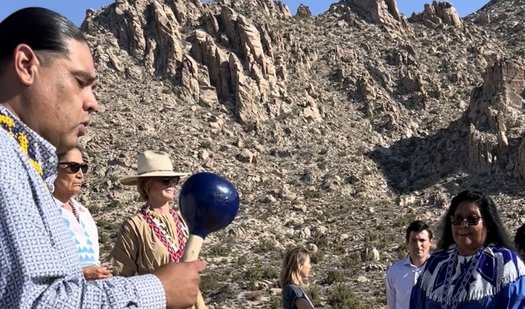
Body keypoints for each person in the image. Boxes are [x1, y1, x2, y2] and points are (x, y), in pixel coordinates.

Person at [0, 7, 204, 308]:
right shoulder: (5, 162)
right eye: (81, 82)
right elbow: (36, 302)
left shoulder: (23, 164)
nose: (95, 104)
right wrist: (158, 291)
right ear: (26, 64)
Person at [410, 190, 525, 308]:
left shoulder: (505, 263)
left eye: (472, 219)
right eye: (457, 219)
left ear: (488, 224)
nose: (463, 225)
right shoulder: (436, 263)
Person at [110, 150, 190, 276]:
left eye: (175, 179)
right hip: (156, 294)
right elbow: (120, 274)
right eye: (165, 179)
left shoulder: (183, 220)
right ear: (147, 185)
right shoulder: (135, 226)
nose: (171, 184)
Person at [54, 146, 111, 280]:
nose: (80, 174)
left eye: (83, 168)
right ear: (53, 168)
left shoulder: (84, 213)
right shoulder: (44, 210)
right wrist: (81, 273)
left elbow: (95, 260)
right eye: (73, 167)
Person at [386, 220, 432, 309]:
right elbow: (391, 305)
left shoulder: (440, 271)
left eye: (422, 240)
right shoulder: (394, 271)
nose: (418, 245)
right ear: (407, 242)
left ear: (430, 242)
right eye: (414, 240)